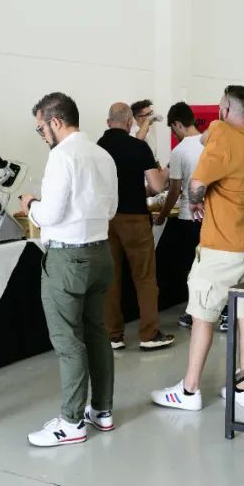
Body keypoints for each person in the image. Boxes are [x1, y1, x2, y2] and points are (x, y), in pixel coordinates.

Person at [150, 85, 244, 411]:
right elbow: (206, 139)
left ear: (225, 110)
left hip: (222, 246)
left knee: (202, 316)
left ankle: (189, 391)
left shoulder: (222, 133)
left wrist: (196, 201)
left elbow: (198, 184)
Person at [19, 92, 118, 446]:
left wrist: (31, 205)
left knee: (68, 341)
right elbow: (111, 209)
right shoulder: (103, 155)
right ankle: (102, 410)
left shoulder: (62, 156)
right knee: (97, 333)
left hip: (67, 259)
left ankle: (72, 421)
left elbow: (50, 214)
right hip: (100, 254)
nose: (42, 135)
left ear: (56, 121)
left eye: (41, 128)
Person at [97, 103, 175, 351]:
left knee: (111, 279)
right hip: (135, 219)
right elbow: (156, 186)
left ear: (108, 122)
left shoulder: (97, 148)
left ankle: (113, 335)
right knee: (144, 278)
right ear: (130, 122)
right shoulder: (139, 147)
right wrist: (165, 175)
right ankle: (149, 334)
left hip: (105, 221)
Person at [156, 102, 204, 330]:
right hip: (211, 216)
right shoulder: (210, 144)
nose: (174, 134)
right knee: (209, 264)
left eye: (172, 129)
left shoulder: (179, 151)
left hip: (188, 217)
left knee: (191, 267)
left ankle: (193, 312)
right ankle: (221, 311)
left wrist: (162, 215)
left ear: (177, 124)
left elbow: (174, 190)